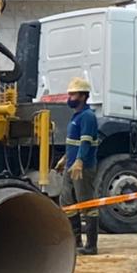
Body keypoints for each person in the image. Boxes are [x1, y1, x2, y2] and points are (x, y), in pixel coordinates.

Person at [55, 76, 99, 255]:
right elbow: (74, 143)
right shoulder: (77, 116)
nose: (70, 98)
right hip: (71, 166)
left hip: (83, 167)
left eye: (73, 94)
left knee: (86, 203)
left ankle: (91, 245)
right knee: (66, 201)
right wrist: (65, 159)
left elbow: (85, 142)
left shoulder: (88, 117)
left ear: (83, 96)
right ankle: (76, 241)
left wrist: (80, 162)